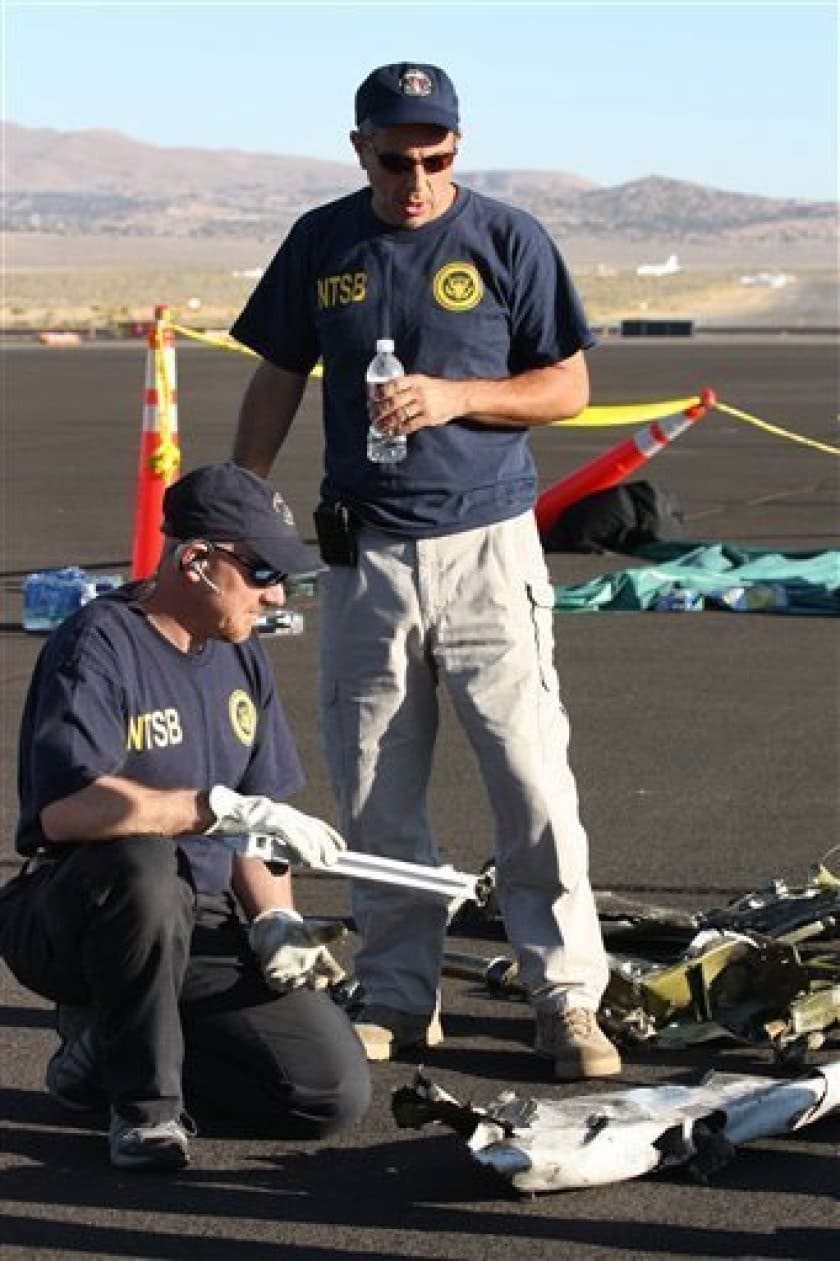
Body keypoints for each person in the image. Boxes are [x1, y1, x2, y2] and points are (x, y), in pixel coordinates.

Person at [229, 63, 621, 1080]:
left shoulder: (506, 238)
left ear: (459, 146)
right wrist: (242, 509)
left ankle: (567, 996)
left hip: (487, 547)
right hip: (366, 556)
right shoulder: (325, 242)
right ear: (359, 148)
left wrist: (456, 398)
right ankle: (401, 994)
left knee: (530, 775)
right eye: (397, 158)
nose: (416, 178)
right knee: (374, 786)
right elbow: (278, 373)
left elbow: (569, 384)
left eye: (436, 157)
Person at [0, 462, 371, 1171]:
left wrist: (272, 921)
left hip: (195, 922)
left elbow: (256, 827)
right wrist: (206, 808)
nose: (274, 594)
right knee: (146, 863)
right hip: (83, 910)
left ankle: (106, 1046)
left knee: (329, 1091)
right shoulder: (98, 645)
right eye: (261, 571)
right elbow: (67, 813)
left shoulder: (242, 658)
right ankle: (144, 1112)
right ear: (196, 561)